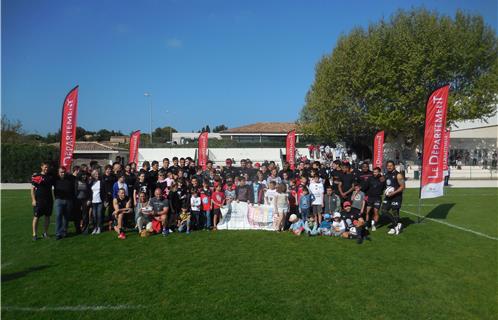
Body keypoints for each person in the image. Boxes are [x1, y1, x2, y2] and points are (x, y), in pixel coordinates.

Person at [382, 160, 405, 235]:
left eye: (390, 165)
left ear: (394, 166)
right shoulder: (386, 174)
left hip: (396, 196)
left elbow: (402, 187)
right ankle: (396, 225)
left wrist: (393, 193)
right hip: (388, 196)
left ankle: (394, 227)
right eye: (388, 165)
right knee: (384, 211)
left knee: (395, 212)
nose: (389, 167)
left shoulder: (398, 175)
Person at [53, 166, 75, 240]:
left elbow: (75, 176)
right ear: (58, 173)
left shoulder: (70, 178)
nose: (62, 173)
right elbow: (49, 173)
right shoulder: (55, 179)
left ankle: (64, 232)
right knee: (58, 215)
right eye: (61, 172)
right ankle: (58, 233)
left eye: (64, 172)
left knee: (66, 217)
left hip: (68, 200)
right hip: (59, 200)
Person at [89, 169, 105, 235]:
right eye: (95, 174)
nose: (97, 175)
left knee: (99, 215)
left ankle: (99, 228)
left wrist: (105, 200)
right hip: (93, 201)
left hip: (100, 201)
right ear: (92, 175)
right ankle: (94, 228)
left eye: (98, 174)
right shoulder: (91, 182)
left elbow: (104, 192)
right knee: (94, 215)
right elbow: (89, 192)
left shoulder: (101, 182)